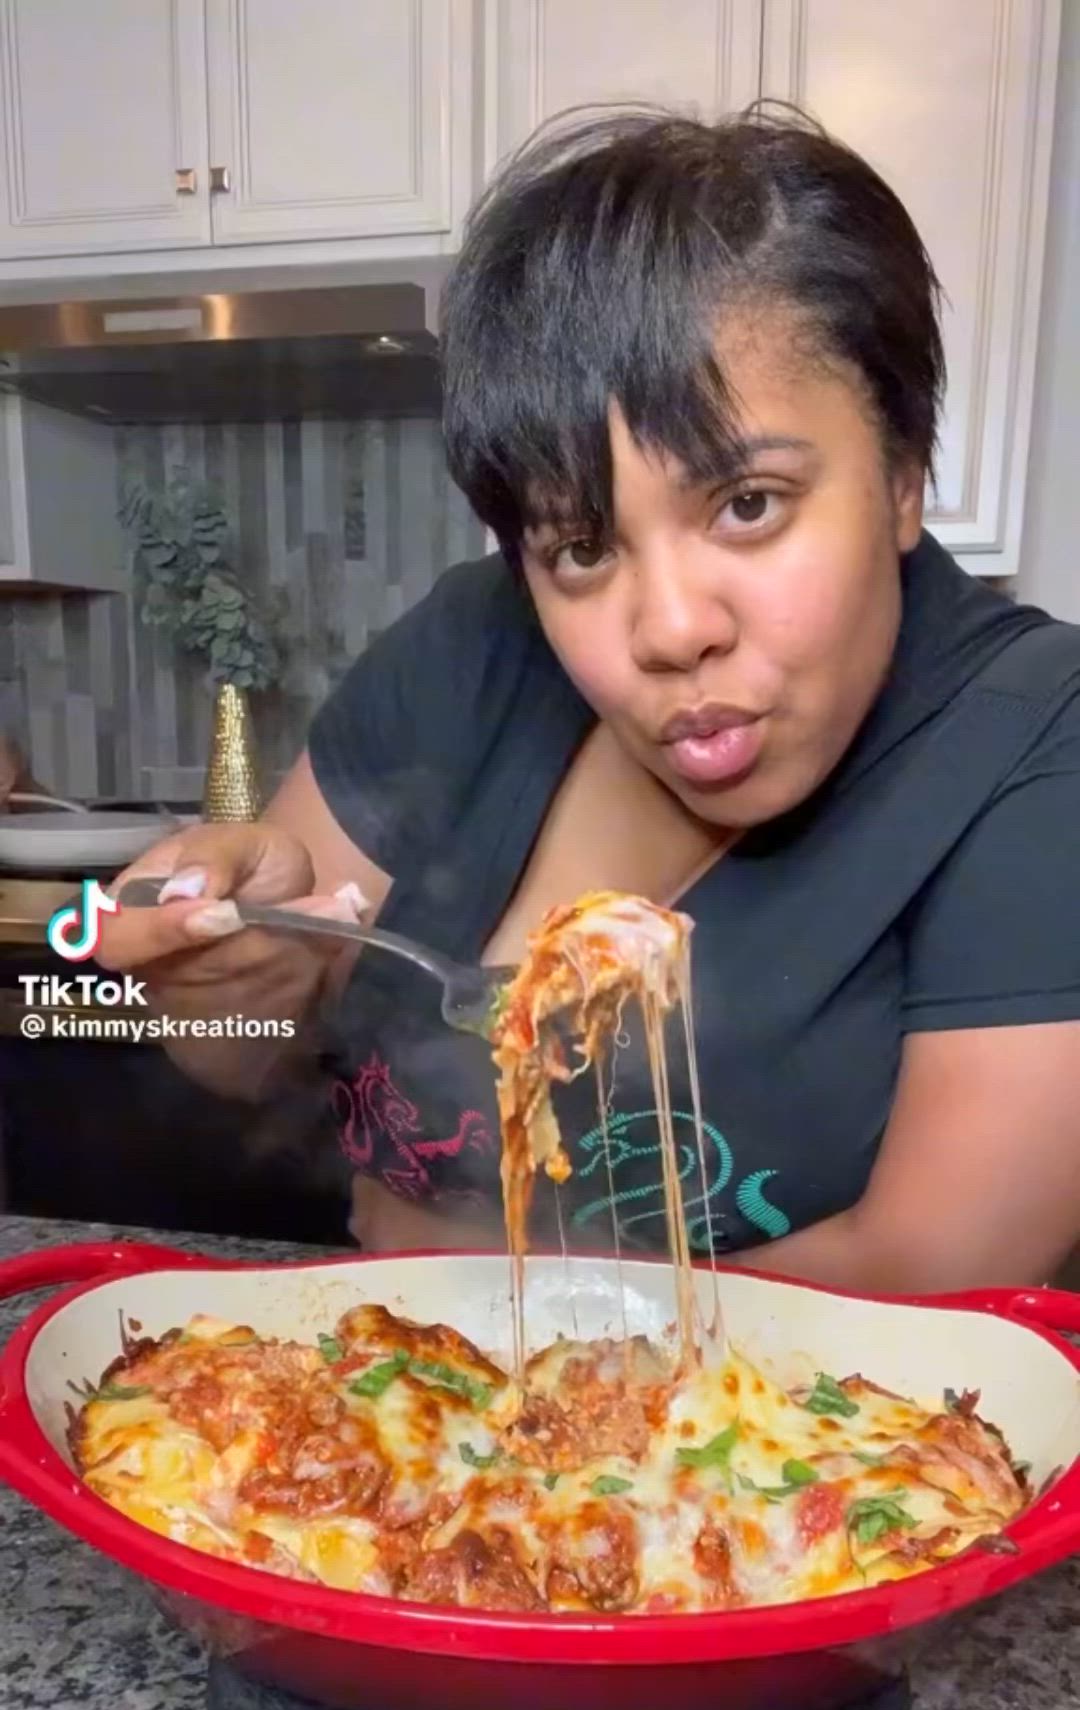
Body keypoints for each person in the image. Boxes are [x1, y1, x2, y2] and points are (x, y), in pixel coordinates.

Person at [99, 105, 1080, 1294]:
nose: (670, 630)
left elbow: (942, 1270)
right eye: (581, 547)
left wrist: (482, 1279)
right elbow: (249, 1057)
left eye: (749, 505)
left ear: (904, 469)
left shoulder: (1034, 737)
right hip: (391, 1425)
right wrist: (217, 989)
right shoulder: (467, 648)